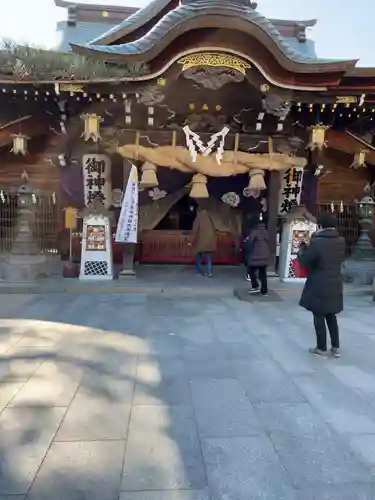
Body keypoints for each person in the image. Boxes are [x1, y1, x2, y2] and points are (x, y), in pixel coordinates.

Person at [298, 212, 346, 358]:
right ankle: (336, 347)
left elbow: (307, 260)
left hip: (319, 282)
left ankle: (321, 347)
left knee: (318, 314)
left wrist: (302, 249)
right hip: (335, 281)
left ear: (320, 225)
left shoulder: (317, 242)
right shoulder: (341, 241)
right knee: (331, 314)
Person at [245, 213, 270, 295]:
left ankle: (255, 286)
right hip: (265, 254)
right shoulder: (265, 230)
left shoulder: (254, 231)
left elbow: (250, 243)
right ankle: (264, 291)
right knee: (263, 273)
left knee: (250, 271)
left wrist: (246, 241)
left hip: (256, 255)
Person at [190, 205, 217, 277]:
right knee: (208, 258)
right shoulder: (210, 218)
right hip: (209, 242)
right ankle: (209, 272)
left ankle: (199, 271)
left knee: (198, 257)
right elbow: (215, 230)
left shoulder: (198, 218)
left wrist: (191, 241)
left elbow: (195, 231)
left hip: (200, 242)